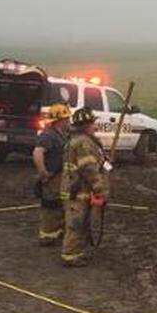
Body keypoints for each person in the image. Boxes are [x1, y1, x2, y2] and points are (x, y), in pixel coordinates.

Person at [60, 107, 108, 267]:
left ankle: (77, 252)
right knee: (76, 224)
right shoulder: (83, 143)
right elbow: (88, 168)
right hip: (78, 191)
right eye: (93, 123)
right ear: (86, 125)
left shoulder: (83, 140)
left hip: (79, 190)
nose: (95, 126)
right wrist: (99, 188)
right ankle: (71, 255)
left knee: (82, 223)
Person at [32, 103, 71, 246]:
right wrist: (43, 172)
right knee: (50, 206)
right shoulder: (48, 135)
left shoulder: (61, 135)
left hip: (60, 176)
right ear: (59, 120)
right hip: (52, 177)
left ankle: (56, 232)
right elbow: (37, 152)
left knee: (60, 205)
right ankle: (47, 236)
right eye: (66, 119)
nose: (68, 122)